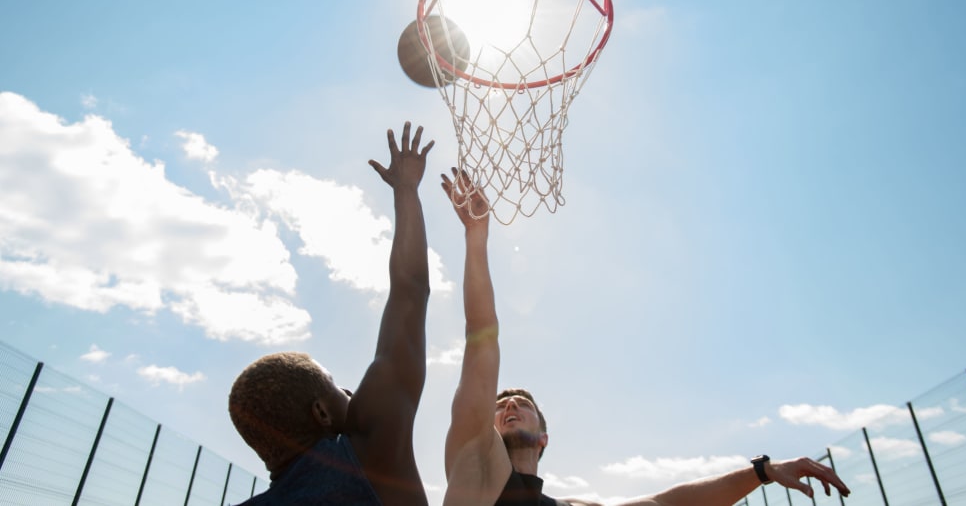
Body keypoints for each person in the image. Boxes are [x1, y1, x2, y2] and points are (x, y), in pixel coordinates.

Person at [439, 169, 852, 506]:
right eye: (501, 405)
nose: (509, 404)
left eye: (522, 404)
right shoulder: (476, 459)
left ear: (545, 438)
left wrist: (761, 471)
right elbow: (482, 339)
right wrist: (477, 238)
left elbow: (667, 504)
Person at [228, 122, 434, 506]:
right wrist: (406, 190)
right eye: (335, 384)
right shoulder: (367, 453)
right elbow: (410, 292)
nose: (350, 392)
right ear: (321, 412)